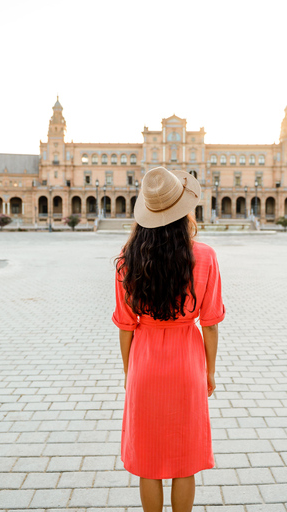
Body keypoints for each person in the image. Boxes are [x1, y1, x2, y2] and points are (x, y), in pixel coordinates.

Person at [113, 167, 225, 512]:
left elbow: (125, 326)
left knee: (148, 462)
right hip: (187, 363)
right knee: (184, 460)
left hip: (145, 363)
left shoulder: (128, 259)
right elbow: (210, 323)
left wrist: (131, 372)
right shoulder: (204, 256)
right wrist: (209, 371)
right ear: (184, 211)